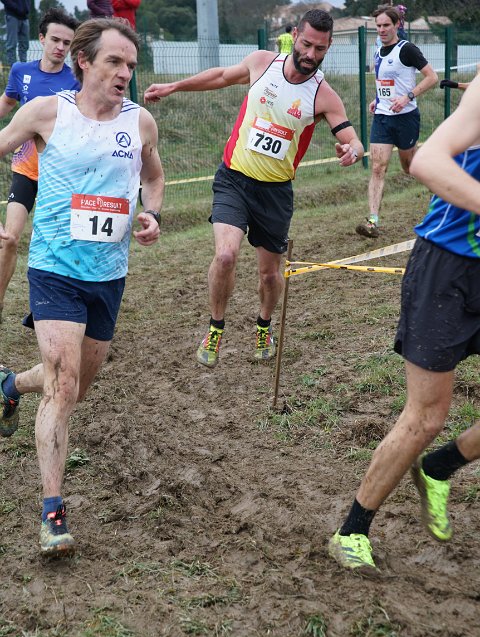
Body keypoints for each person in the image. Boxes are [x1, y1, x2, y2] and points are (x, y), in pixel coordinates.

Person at [0, 18, 164, 558]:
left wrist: (152, 213)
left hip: (108, 276)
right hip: (53, 269)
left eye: (131, 65)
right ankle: (53, 513)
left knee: (71, 388)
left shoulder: (140, 122)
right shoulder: (47, 113)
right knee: (63, 384)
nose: (124, 73)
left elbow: (153, 177)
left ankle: (8, 386)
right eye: (114, 61)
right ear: (85, 61)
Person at [145, 9, 363, 368]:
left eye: (320, 49)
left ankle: (264, 325)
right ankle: (215, 327)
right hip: (234, 179)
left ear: (328, 48)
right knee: (225, 256)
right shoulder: (262, 63)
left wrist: (351, 151)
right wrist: (174, 86)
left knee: (269, 274)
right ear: (295, 35)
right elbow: (220, 76)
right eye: (307, 44)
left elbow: (353, 139)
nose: (311, 54)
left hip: (275, 193)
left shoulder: (323, 96)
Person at [328, 74, 480, 573]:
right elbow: (428, 161)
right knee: (427, 416)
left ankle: (441, 466)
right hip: (446, 270)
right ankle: (352, 530)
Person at [0, 8, 81, 325]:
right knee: (9, 239)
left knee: (54, 246)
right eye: (56, 40)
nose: (61, 47)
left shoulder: (75, 80)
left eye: (67, 43)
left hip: (59, 177)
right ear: (42, 38)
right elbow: (8, 102)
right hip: (25, 170)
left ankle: (46, 307)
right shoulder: (21, 71)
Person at [355, 5, 437, 239]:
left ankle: (440, 193)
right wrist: (377, 99)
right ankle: (372, 221)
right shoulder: (378, 51)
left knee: (410, 168)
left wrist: (408, 97)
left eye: (386, 25)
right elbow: (385, 83)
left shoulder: (407, 49)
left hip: (406, 118)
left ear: (397, 25)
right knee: (378, 168)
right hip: (382, 117)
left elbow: (432, 77)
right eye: (378, 26)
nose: (381, 30)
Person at [1, 0, 29, 66]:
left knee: (24, 45)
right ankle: (14, 68)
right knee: (11, 44)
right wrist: (16, 7)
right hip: (12, 15)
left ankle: (23, 67)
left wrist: (26, 7)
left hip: (24, 16)